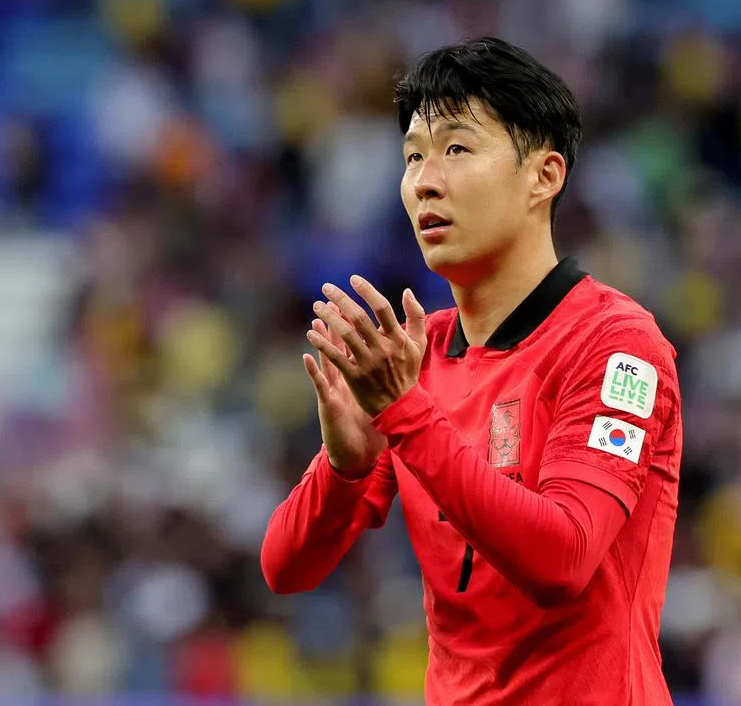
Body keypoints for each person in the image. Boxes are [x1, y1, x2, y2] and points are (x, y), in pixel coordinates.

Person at [261, 37, 682, 705]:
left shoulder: (616, 347)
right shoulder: (412, 359)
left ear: (543, 175)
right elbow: (286, 568)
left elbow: (564, 560)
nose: (425, 180)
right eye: (413, 156)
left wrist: (405, 417)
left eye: (456, 148)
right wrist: (342, 468)